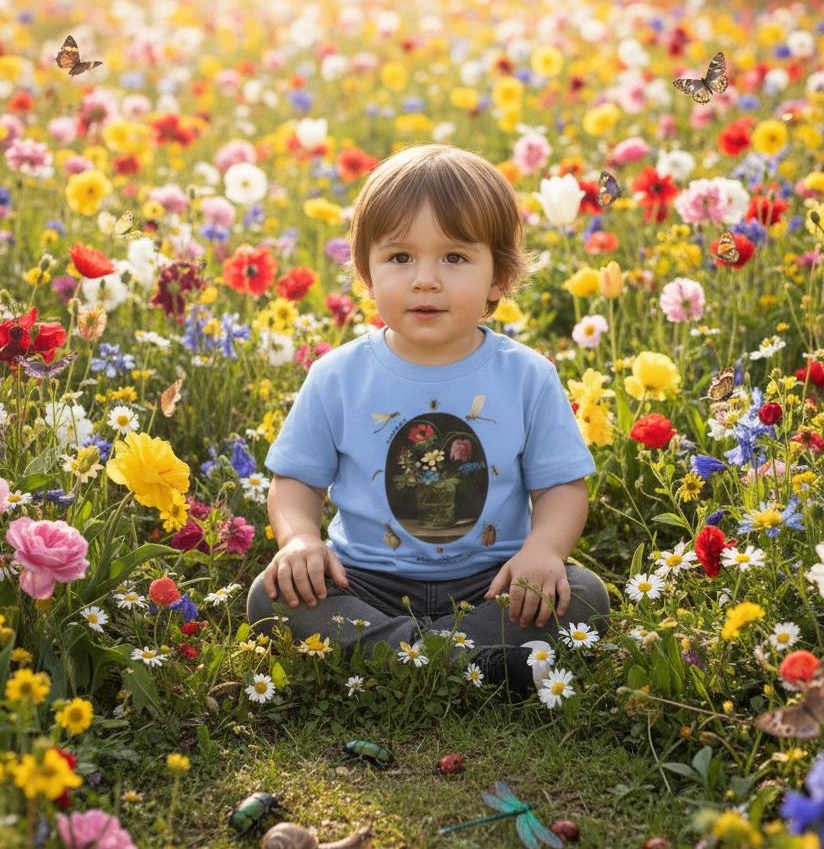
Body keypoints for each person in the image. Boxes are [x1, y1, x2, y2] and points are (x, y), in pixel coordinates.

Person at [246, 143, 610, 694]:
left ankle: (402, 662)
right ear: (366, 273)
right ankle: (462, 665)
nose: (425, 280)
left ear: (498, 278)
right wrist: (299, 540)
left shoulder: (527, 375)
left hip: (493, 582)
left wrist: (544, 551)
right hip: (365, 581)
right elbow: (295, 481)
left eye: (455, 258)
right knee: (272, 595)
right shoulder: (337, 374)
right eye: (400, 258)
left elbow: (562, 487)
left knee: (582, 594)